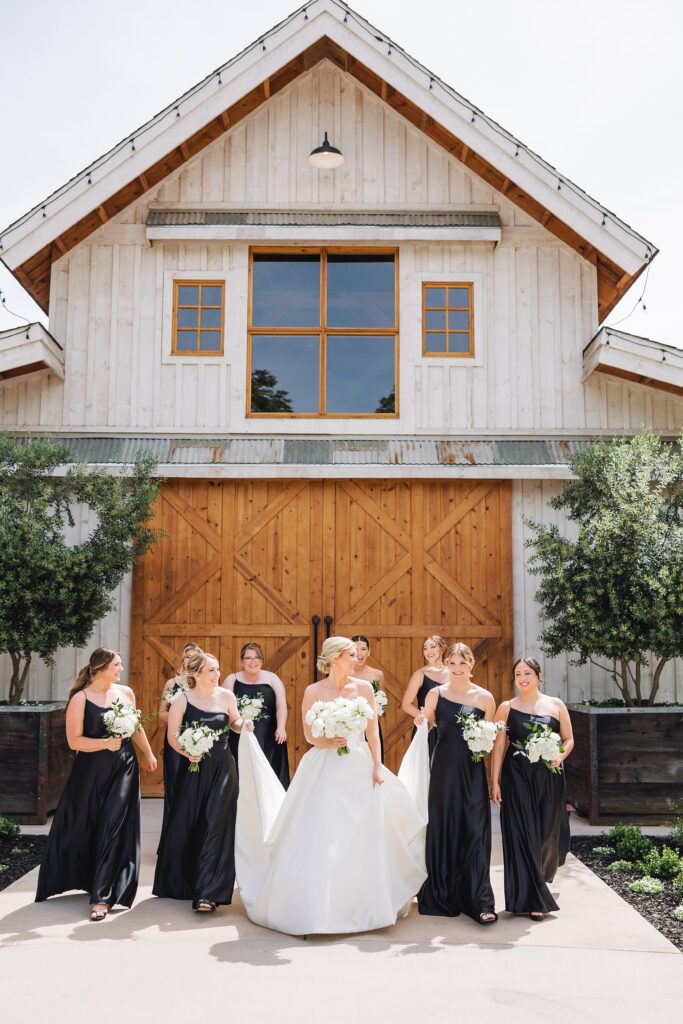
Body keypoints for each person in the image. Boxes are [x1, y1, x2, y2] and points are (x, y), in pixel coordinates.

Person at [235, 637, 427, 936]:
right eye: (351, 654)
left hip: (358, 765)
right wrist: (328, 741)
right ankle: (318, 909)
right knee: (322, 832)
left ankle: (364, 905)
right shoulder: (313, 691)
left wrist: (377, 766)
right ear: (336, 657)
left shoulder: (364, 688)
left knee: (362, 833)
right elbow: (309, 735)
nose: (356, 659)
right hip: (324, 765)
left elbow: (372, 732)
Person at [36, 648, 157, 921]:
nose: (121, 669)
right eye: (117, 664)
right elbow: (74, 741)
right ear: (101, 668)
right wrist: (104, 743)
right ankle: (86, 877)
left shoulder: (126, 693)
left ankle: (101, 897)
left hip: (124, 766)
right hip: (91, 771)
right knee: (88, 824)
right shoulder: (81, 699)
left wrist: (148, 753)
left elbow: (135, 727)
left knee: (114, 824)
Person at [153, 651, 252, 911]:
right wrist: (188, 751)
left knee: (216, 823)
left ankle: (208, 893)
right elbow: (173, 736)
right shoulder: (182, 700)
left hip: (223, 768)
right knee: (189, 822)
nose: (217, 674)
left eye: (218, 669)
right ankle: (183, 881)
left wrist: (245, 725)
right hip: (194, 767)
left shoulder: (227, 696)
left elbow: (234, 722)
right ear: (196, 673)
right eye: (211, 670)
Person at [417, 643, 497, 924]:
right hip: (443, 770)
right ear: (446, 664)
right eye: (452, 664)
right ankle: (443, 893)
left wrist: (482, 745)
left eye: (462, 664)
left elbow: (490, 741)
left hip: (472, 771)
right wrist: (420, 720)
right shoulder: (435, 693)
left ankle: (480, 901)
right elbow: (426, 727)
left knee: (475, 829)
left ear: (472, 664)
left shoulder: (486, 698)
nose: (457, 669)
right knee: (445, 827)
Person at [490, 657, 574, 919]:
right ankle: (533, 899)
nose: (522, 677)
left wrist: (559, 756)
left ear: (539, 676)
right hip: (516, 778)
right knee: (522, 834)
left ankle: (540, 879)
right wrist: (494, 781)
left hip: (549, 777)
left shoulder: (556, 705)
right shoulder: (506, 708)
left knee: (546, 834)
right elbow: (500, 746)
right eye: (518, 673)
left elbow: (569, 739)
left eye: (527, 673)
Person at [223, 642, 290, 788]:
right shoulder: (231, 680)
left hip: (269, 737)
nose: (253, 662)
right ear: (242, 661)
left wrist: (281, 728)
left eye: (257, 658)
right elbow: (223, 709)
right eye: (248, 658)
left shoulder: (272, 679)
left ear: (262, 661)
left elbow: (281, 705)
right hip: (239, 734)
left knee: (267, 771)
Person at [158, 642, 203, 840]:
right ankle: (171, 838)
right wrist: (180, 721)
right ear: (182, 660)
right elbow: (161, 713)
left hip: (198, 741)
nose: (189, 659)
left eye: (194, 656)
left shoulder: (204, 684)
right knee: (175, 785)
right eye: (186, 656)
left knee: (195, 788)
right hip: (175, 741)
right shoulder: (171, 684)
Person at [402, 635, 449, 757]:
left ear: (442, 648)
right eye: (425, 648)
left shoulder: (453, 673)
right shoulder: (419, 674)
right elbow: (406, 704)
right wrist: (425, 718)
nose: (429, 651)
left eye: (433, 647)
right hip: (427, 729)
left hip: (448, 728)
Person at [351, 634, 387, 761]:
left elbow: (381, 700)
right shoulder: (344, 674)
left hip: (371, 725)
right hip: (350, 727)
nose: (359, 653)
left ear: (369, 651)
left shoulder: (377, 674)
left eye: (363, 649)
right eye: (355, 649)